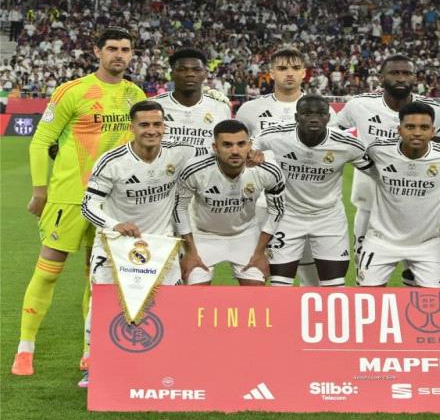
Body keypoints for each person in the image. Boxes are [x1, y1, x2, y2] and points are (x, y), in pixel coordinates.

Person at [12, 27, 146, 377]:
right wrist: (40, 191)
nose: (119, 55)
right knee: (48, 271)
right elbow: (41, 141)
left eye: (126, 49)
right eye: (112, 48)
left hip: (113, 204)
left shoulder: (135, 94)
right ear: (97, 52)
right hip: (70, 197)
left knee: (97, 278)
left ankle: (90, 351)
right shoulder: (72, 91)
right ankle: (25, 347)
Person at [79, 100, 208, 386]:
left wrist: (253, 154)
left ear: (165, 126)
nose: (152, 130)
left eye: (157, 124)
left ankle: (163, 363)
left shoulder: (180, 152)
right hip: (116, 244)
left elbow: (219, 152)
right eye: (145, 125)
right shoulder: (112, 162)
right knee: (103, 306)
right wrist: (114, 225)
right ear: (132, 127)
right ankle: (93, 363)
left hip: (162, 244)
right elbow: (88, 206)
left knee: (170, 306)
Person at [334, 54, 440, 286]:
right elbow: (333, 132)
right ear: (381, 77)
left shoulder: (433, 109)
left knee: (419, 279)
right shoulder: (360, 105)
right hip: (370, 204)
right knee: (368, 280)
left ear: (414, 78)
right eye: (395, 73)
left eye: (406, 73)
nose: (401, 78)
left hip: (418, 208)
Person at [235, 47, 336, 287]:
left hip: (306, 205)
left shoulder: (324, 110)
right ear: (271, 73)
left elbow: (329, 154)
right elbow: (237, 148)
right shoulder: (250, 110)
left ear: (304, 73)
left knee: (312, 277)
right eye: (282, 68)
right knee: (257, 271)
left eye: (295, 68)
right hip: (261, 203)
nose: (288, 73)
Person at [356, 102, 440, 288]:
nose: (417, 133)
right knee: (367, 298)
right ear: (399, 130)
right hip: (381, 241)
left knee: (436, 301)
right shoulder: (378, 151)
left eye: (424, 127)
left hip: (426, 245)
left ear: (433, 131)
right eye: (410, 127)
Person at [254, 95, 370, 287]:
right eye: (307, 114)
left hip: (329, 218)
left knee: (335, 285)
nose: (314, 119)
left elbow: (376, 171)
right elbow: (247, 148)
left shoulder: (347, 144)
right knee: (280, 285)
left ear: (328, 118)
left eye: (320, 114)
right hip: (287, 217)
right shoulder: (275, 135)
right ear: (296, 117)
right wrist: (252, 155)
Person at [176, 120, 285, 286]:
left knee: (255, 292)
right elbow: (179, 207)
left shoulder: (267, 170)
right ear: (215, 148)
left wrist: (260, 251)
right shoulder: (195, 169)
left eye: (241, 144)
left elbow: (277, 210)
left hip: (245, 235)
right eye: (227, 145)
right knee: (195, 292)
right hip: (202, 235)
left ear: (250, 146)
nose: (235, 151)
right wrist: (190, 252)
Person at [151, 47, 232, 153]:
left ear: (205, 74)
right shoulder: (153, 107)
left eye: (196, 70)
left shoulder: (221, 108)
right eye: (182, 69)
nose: (190, 74)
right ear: (172, 75)